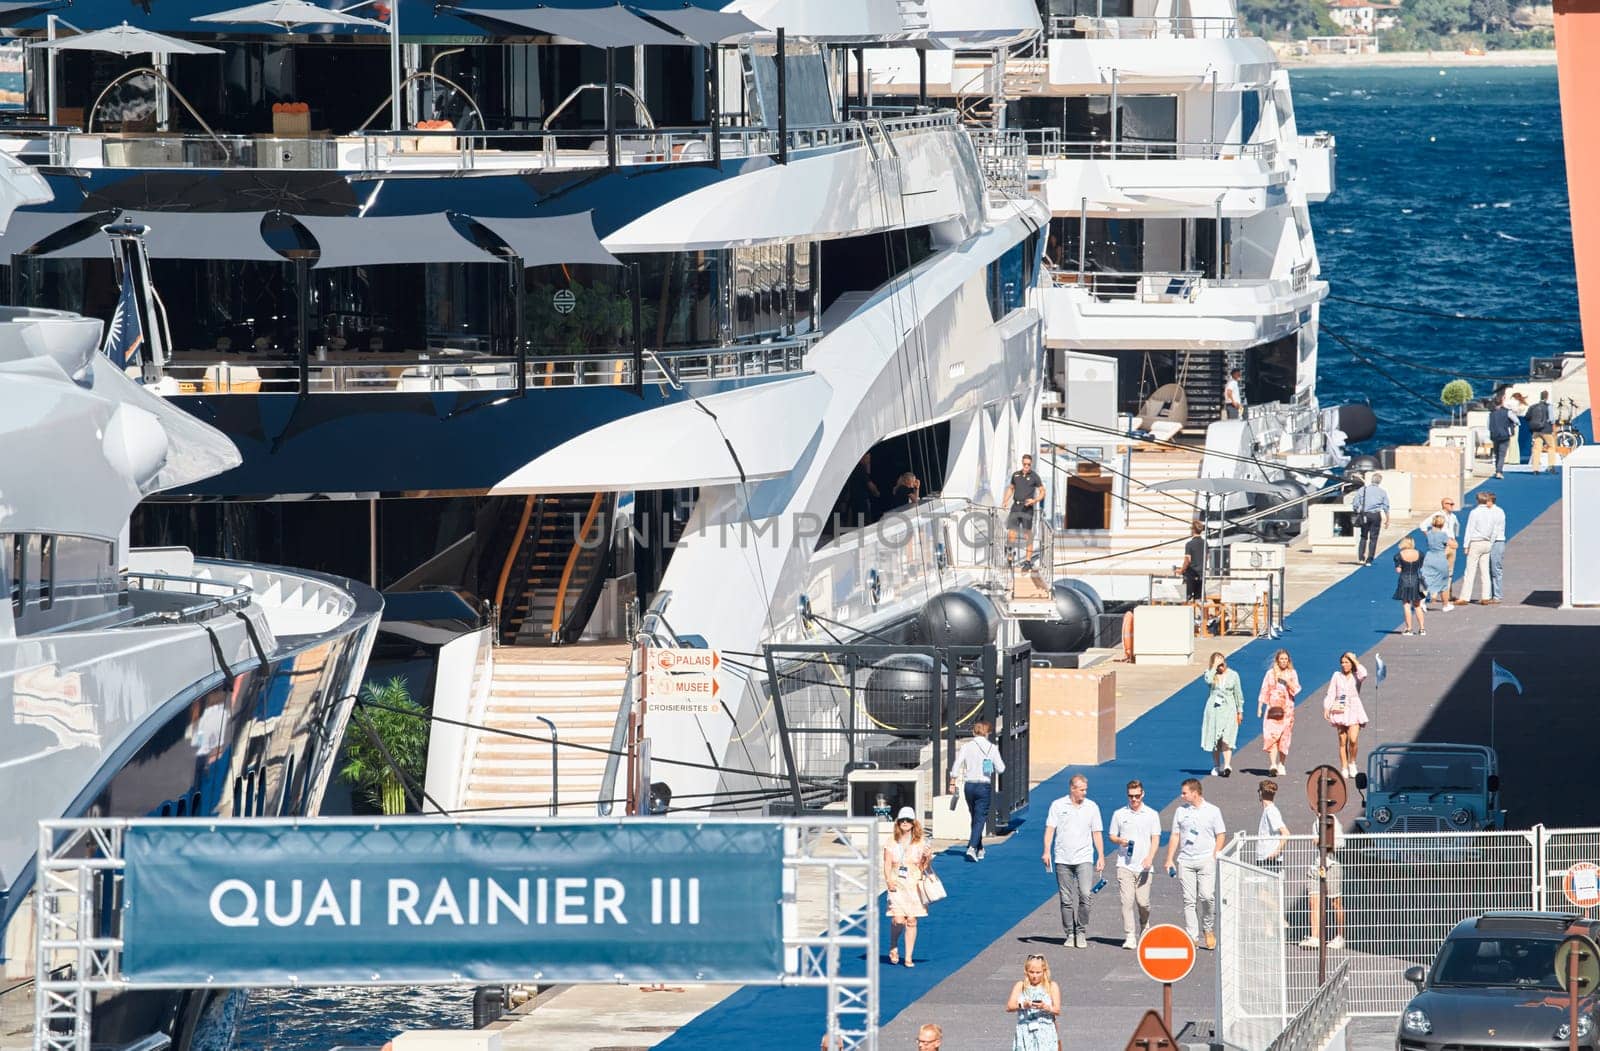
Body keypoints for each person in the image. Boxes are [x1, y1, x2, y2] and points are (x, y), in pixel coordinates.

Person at [1042, 773, 1105, 949]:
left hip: (1084, 857)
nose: (1084, 793)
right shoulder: (1058, 805)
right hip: (1062, 858)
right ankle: (1070, 933)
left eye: (1086, 790)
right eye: (1082, 790)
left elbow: (1096, 832)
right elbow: (1050, 830)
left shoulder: (1092, 807)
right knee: (1066, 898)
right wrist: (1047, 851)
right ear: (1072, 788)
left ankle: (1081, 930)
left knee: (1085, 894)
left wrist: (1100, 855)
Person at [1164, 778, 1227, 950]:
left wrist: (1214, 855)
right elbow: (1175, 835)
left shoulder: (1213, 811)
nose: (1182, 795)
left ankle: (1208, 928)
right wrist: (1169, 858)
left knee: (1207, 896)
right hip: (1185, 861)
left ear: (1195, 793)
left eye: (1184, 793)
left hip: (1206, 859)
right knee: (1189, 900)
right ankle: (1192, 936)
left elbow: (1221, 834)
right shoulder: (1180, 812)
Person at [1107, 779, 1161, 949]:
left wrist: (1150, 858)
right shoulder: (1119, 814)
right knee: (1127, 901)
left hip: (1144, 865)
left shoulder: (1152, 814)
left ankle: (1145, 924)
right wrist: (1119, 841)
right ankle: (1130, 935)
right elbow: (1112, 835)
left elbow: (1155, 838)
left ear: (1142, 794)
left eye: (1137, 796)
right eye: (1131, 796)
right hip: (1125, 864)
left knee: (1143, 902)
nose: (1134, 800)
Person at [949, 720, 1006, 862]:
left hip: (969, 785)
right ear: (987, 733)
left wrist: (952, 781)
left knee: (974, 816)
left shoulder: (966, 746)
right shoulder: (992, 748)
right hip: (983, 785)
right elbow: (1001, 769)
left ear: (973, 732)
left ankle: (979, 847)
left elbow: (956, 765)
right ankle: (972, 847)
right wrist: (990, 764)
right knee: (980, 817)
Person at [884, 807, 931, 967]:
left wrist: (927, 857)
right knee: (898, 920)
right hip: (897, 884)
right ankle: (893, 945)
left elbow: (924, 867)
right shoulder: (891, 842)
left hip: (914, 884)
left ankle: (908, 957)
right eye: (902, 820)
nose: (905, 823)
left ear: (913, 823)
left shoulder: (921, 842)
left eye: (908, 820)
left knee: (911, 920)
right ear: (898, 822)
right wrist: (888, 881)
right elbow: (887, 863)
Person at [1299, 818, 1347, 950]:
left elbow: (1339, 843)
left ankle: (1340, 936)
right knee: (1313, 900)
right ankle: (1315, 937)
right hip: (1318, 865)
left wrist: (1323, 842)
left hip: (1331, 865)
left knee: (1335, 902)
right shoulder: (1316, 820)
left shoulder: (1332, 820)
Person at [1323, 652, 1369, 778]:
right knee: (1343, 740)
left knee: (1353, 739)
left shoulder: (1356, 675)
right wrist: (1327, 707)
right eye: (1342, 662)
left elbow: (1364, 673)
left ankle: (1352, 762)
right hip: (1340, 709)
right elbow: (1331, 692)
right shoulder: (1336, 676)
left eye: (1347, 662)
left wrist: (1355, 659)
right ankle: (1344, 766)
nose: (1344, 665)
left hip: (1354, 709)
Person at [1199, 652, 1244, 777]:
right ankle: (1216, 765)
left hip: (1229, 708)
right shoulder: (1210, 674)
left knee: (1227, 737)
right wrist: (1214, 667)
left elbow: (1238, 694)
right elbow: (1208, 681)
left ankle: (1228, 764)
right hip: (1214, 709)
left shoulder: (1233, 675)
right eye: (1217, 662)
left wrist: (1240, 711)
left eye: (1222, 661)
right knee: (1215, 739)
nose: (1221, 664)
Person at [1007, 954, 1063, 1051]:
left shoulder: (1052, 986)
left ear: (1044, 972)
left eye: (1038, 972)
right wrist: (1023, 1005)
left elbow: (1057, 1010)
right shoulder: (1020, 985)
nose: (1034, 976)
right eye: (1031, 972)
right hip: (1024, 1030)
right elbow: (1009, 1007)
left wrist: (1045, 1006)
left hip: (1045, 1032)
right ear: (1026, 972)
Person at [1257, 649, 1299, 777]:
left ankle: (1282, 763)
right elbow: (1264, 689)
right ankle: (1273, 764)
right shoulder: (1270, 673)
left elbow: (1296, 689)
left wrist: (1287, 681)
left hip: (1287, 710)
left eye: (1286, 659)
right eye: (1281, 659)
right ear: (1277, 660)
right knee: (1272, 736)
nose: (1283, 661)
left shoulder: (1292, 673)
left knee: (1284, 738)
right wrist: (1260, 707)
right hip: (1273, 709)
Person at [1003, 455, 1046, 569]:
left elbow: (1042, 491)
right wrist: (1005, 500)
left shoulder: (1034, 476)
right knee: (1012, 533)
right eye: (1024, 464)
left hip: (1027, 508)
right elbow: (1011, 488)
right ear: (1022, 463)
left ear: (1031, 464)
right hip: (1016, 507)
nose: (1026, 466)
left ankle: (1027, 561)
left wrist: (1035, 500)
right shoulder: (1016, 475)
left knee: (1028, 535)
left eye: (1028, 464)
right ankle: (1010, 558)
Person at [1461, 491, 1497, 604]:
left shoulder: (1474, 512)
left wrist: (1466, 545)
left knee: (1470, 571)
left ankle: (1465, 597)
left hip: (1476, 542)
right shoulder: (1491, 513)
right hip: (1487, 542)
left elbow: (1469, 529)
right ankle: (1486, 596)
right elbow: (1494, 529)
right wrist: (1490, 542)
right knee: (1485, 571)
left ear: (1477, 500)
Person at [1350, 472, 1390, 567]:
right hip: (1376, 515)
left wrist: (1357, 510)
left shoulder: (1363, 490)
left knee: (1363, 536)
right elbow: (1386, 507)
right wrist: (1387, 520)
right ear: (1380, 481)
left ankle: (1361, 558)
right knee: (1373, 538)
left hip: (1365, 515)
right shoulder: (1382, 492)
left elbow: (1355, 502)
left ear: (1372, 480)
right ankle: (1369, 559)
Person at [1393, 535, 1426, 636]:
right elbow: (1421, 566)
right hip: (1416, 579)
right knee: (1417, 605)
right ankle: (1422, 628)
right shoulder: (1420, 553)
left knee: (1406, 605)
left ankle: (1409, 628)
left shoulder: (1398, 555)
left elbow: (1398, 570)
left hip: (1404, 580)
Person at [1420, 516, 1453, 613]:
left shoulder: (1429, 534)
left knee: (1426, 580)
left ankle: (1421, 600)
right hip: (1440, 558)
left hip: (1429, 557)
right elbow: (1453, 544)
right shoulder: (1443, 535)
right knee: (1443, 582)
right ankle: (1445, 604)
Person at [1435, 497, 1460, 607]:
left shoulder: (1453, 517)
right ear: (1444, 505)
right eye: (1449, 504)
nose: (1452, 506)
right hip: (1442, 545)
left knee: (1450, 572)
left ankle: (1448, 594)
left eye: (1453, 504)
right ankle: (1434, 594)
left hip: (1452, 545)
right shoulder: (1437, 515)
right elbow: (1423, 526)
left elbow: (1456, 529)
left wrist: (1454, 539)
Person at [1527, 390, 1557, 473]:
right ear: (1547, 397)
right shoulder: (1549, 406)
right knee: (1551, 447)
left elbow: (1527, 416)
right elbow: (1551, 419)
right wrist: (1554, 428)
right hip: (1546, 430)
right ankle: (1551, 466)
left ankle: (1535, 469)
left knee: (1536, 449)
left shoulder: (1533, 406)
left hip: (1536, 430)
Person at [1486, 490, 1508, 603]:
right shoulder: (1484, 512)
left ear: (1490, 501)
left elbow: (1496, 529)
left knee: (1495, 568)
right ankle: (1488, 594)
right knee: (1487, 569)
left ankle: (1497, 595)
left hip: (1497, 541)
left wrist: (1489, 542)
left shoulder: (1498, 512)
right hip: (1488, 541)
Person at [1488, 395, 1517, 479]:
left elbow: (1488, 426)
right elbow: (1517, 421)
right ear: (1502, 402)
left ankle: (1497, 470)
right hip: (1504, 435)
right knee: (1502, 454)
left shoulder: (1491, 414)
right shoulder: (1507, 412)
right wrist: (1512, 426)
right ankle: (1499, 471)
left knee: (1497, 454)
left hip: (1495, 435)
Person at [1177, 519, 1206, 601]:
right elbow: (1207, 557)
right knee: (1198, 599)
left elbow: (1187, 561)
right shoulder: (1205, 543)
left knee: (1187, 599)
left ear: (1193, 530)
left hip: (1191, 575)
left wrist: (1181, 570)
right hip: (1201, 575)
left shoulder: (1189, 544)